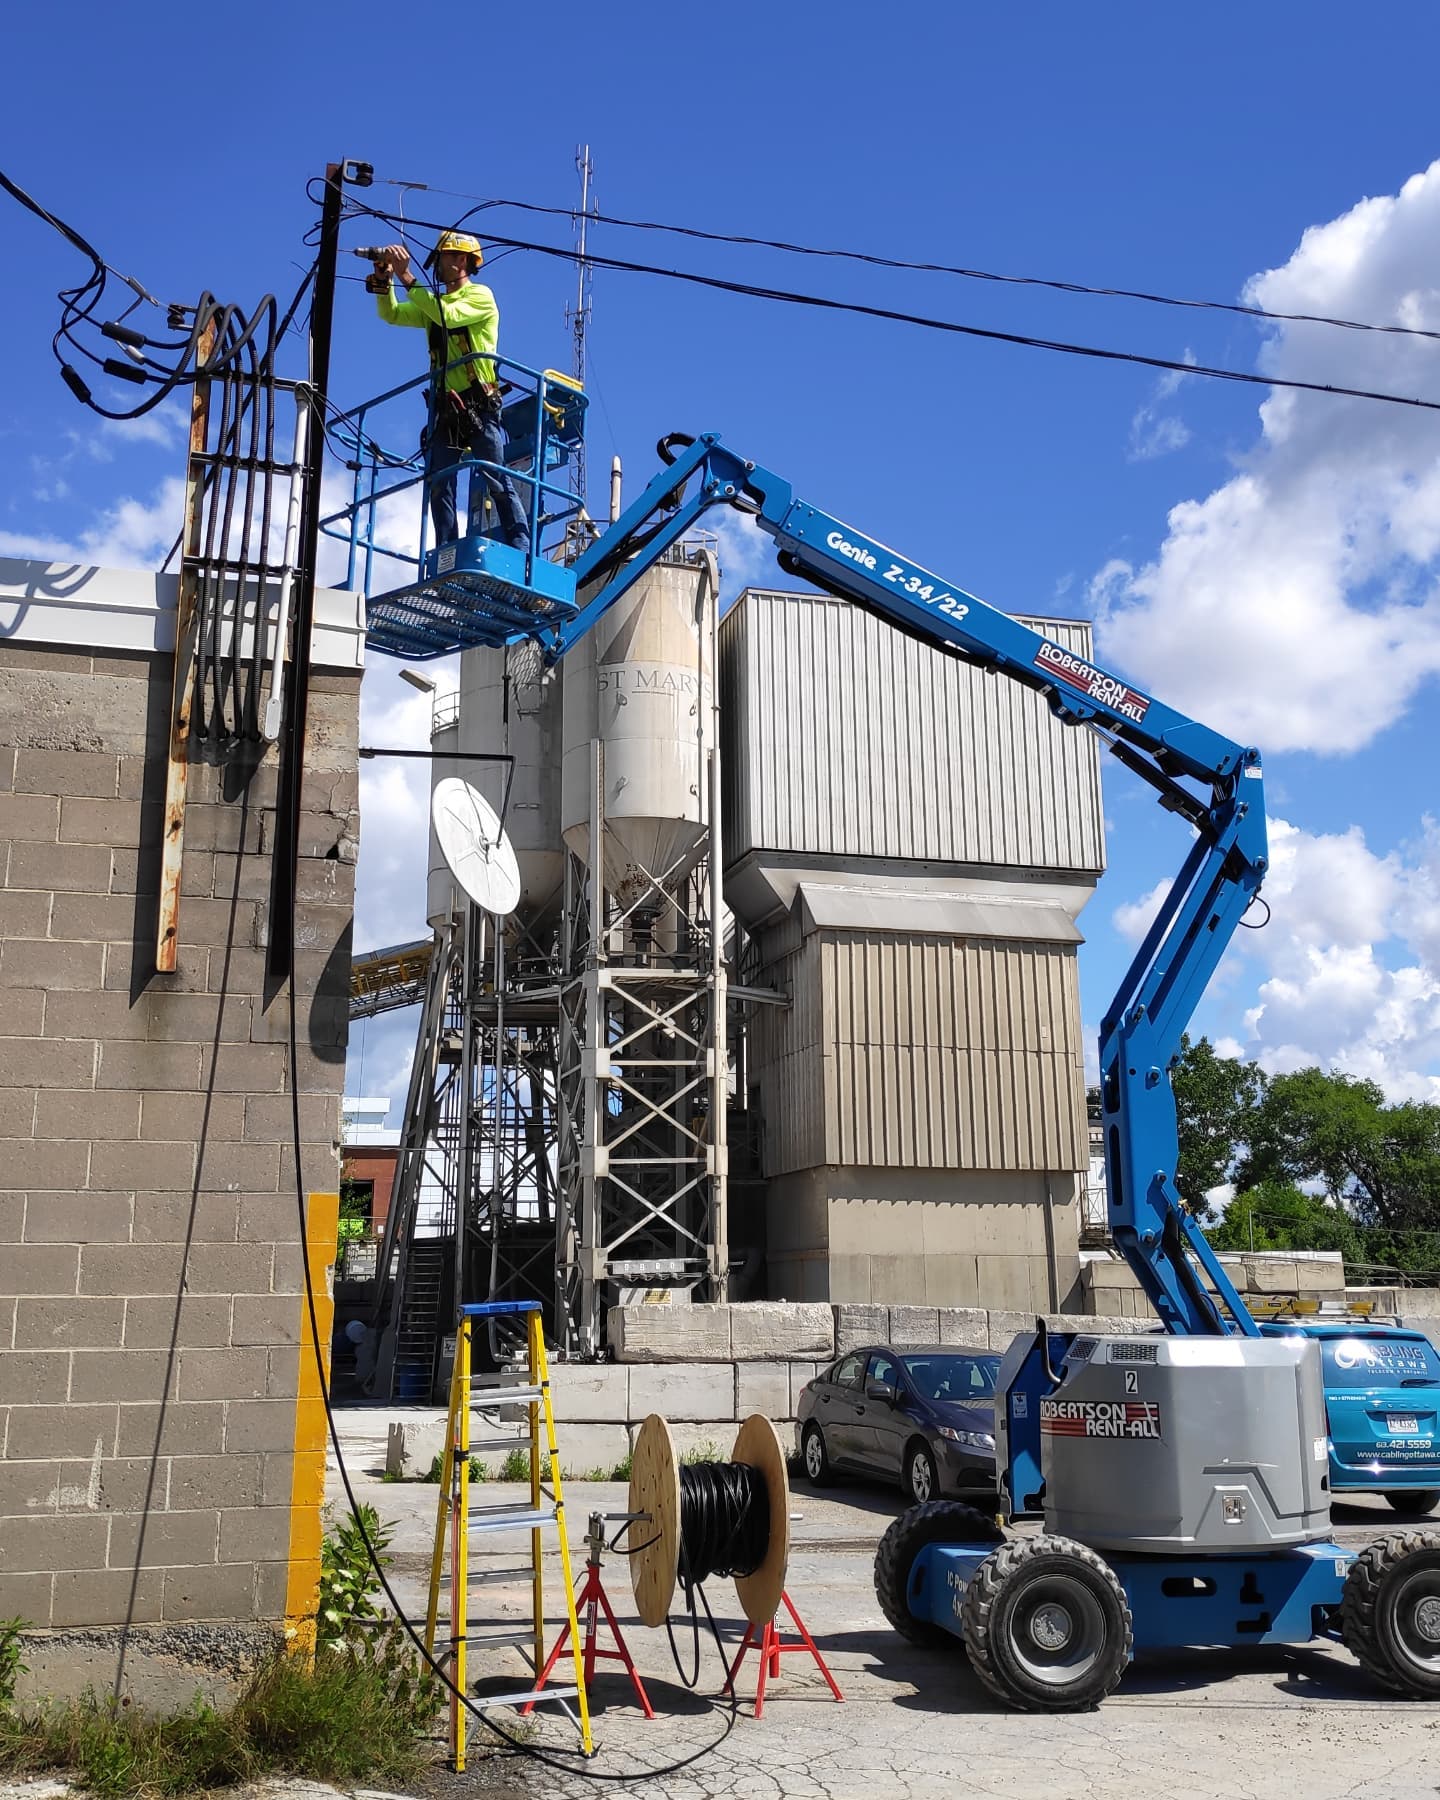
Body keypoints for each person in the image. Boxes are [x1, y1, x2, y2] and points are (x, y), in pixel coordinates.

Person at [368, 231, 529, 551]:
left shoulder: (480, 297)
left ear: (460, 260)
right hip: (446, 410)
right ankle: (447, 551)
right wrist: (384, 282)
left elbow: (450, 315)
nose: (436, 268)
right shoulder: (433, 306)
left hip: (480, 408)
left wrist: (407, 276)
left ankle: (521, 548)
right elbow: (393, 314)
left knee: (495, 479)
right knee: (439, 484)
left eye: (441, 259)